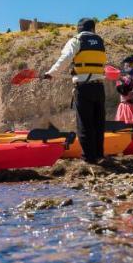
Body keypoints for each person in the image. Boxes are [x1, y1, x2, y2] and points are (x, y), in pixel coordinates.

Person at [42, 17, 107, 163]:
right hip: (99, 87)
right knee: (98, 123)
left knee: (85, 123)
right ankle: (99, 155)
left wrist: (51, 73)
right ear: (93, 29)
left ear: (79, 29)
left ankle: (88, 158)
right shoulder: (100, 41)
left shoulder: (76, 40)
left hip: (84, 87)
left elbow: (65, 58)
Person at [114, 54, 133, 125]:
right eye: (127, 64)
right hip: (126, 107)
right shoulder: (122, 79)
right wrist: (129, 78)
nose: (127, 66)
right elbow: (123, 91)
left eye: (130, 64)